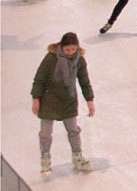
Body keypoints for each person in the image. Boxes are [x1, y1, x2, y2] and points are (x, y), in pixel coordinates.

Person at [31, 32, 94, 175]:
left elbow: (84, 81)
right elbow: (39, 78)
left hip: (68, 100)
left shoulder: (79, 60)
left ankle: (77, 157)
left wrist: (90, 100)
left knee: (74, 130)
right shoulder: (51, 58)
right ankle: (45, 160)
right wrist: (36, 98)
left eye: (73, 49)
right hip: (49, 99)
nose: (70, 52)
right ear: (61, 46)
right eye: (67, 49)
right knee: (46, 132)